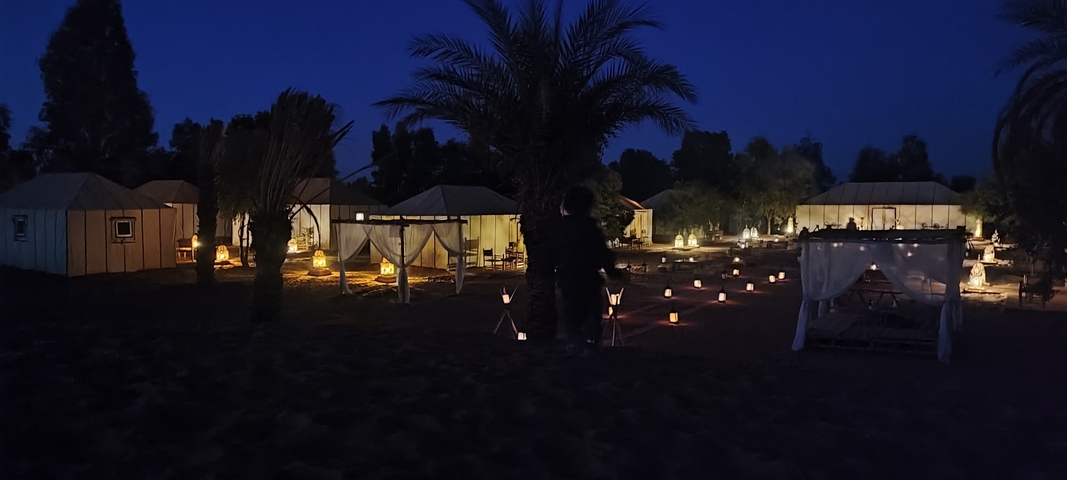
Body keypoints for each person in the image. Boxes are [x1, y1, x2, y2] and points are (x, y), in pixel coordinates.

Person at [553, 185, 622, 354]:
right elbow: (602, 253)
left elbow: (551, 253)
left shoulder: (560, 228)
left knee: (572, 319)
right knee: (591, 319)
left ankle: (575, 346)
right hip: (588, 280)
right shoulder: (591, 228)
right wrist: (613, 272)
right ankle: (590, 347)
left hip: (568, 280)